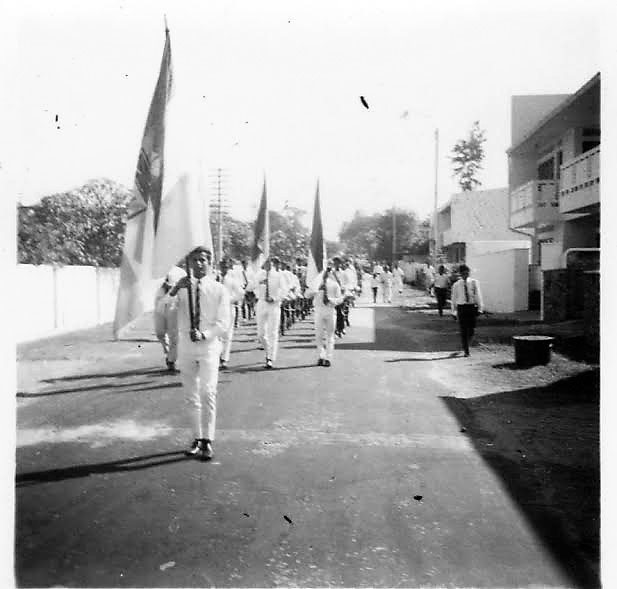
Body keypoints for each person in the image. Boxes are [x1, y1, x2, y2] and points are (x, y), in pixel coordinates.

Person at [167, 246, 230, 461]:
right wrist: (175, 289)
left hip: (208, 347)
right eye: (195, 260)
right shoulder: (183, 288)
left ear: (209, 263)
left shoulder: (219, 289)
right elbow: (164, 308)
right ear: (190, 263)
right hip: (186, 348)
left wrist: (204, 334)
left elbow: (223, 323)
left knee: (208, 392)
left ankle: (207, 440)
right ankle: (196, 437)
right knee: (191, 395)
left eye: (203, 260)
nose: (199, 264)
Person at [307, 264, 344, 367]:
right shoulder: (316, 284)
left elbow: (340, 299)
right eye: (325, 271)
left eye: (328, 271)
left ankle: (328, 357)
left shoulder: (334, 284)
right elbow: (307, 294)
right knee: (318, 335)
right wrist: (315, 290)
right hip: (319, 310)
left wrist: (331, 300)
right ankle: (321, 355)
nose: (326, 273)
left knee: (330, 335)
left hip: (330, 310)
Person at [252, 257, 285, 369]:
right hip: (262, 303)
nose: (267, 265)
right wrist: (257, 288)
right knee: (261, 334)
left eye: (269, 263)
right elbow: (251, 286)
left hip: (273, 305)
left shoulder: (278, 276)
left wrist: (275, 298)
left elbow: (284, 291)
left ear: (273, 264)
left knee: (272, 332)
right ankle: (268, 350)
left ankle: (270, 357)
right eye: (266, 263)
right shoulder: (259, 275)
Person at [154, 267, 186, 372]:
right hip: (160, 304)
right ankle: (168, 351)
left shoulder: (180, 272)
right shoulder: (158, 269)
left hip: (173, 305)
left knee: (174, 335)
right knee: (159, 333)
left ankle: (171, 360)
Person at [450, 264, 484, 357]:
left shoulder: (474, 282)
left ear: (469, 273)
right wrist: (453, 312)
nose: (465, 275)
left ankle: (467, 344)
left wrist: (480, 308)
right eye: (463, 273)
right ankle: (466, 350)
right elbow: (454, 299)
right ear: (460, 274)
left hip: (471, 307)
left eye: (467, 273)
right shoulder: (456, 285)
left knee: (471, 330)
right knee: (463, 330)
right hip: (462, 308)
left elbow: (478, 295)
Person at [218, 259, 245, 371]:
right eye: (222, 266)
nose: (223, 268)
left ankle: (224, 358)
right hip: (215, 309)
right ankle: (217, 355)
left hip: (228, 308)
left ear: (228, 268)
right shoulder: (214, 278)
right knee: (216, 334)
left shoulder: (232, 280)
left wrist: (229, 299)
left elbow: (241, 293)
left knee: (227, 334)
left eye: (225, 266)